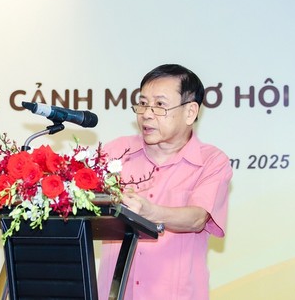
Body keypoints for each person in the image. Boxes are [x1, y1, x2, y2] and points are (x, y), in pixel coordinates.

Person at [97, 64, 232, 300]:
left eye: (160, 105)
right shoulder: (115, 152)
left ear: (190, 112)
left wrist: (149, 212)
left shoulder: (212, 161)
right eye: (143, 103)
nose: (147, 114)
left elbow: (197, 218)